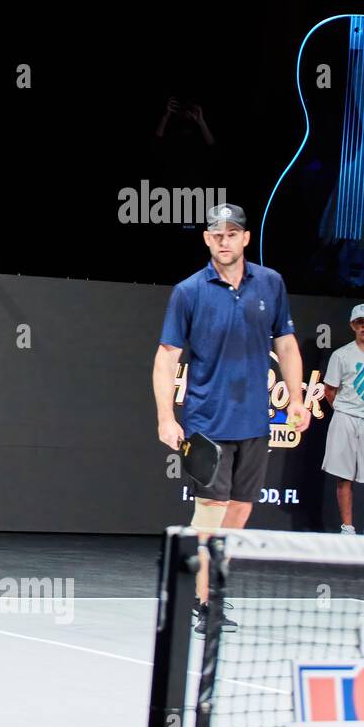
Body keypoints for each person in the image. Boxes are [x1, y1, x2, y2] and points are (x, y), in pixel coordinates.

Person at [152, 203, 311, 634]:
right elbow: (167, 358)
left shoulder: (271, 283)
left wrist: (296, 400)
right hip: (207, 423)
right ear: (207, 239)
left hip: (255, 423)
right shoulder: (188, 291)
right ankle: (204, 600)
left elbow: (288, 346)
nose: (224, 241)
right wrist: (167, 417)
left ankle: (204, 587)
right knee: (209, 512)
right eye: (216, 234)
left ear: (245, 237)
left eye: (232, 233)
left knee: (238, 514)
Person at [322, 304, 364, 533]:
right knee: (344, 476)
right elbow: (329, 391)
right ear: (353, 325)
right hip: (346, 418)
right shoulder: (341, 355)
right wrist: (345, 411)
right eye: (360, 321)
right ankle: (347, 528)